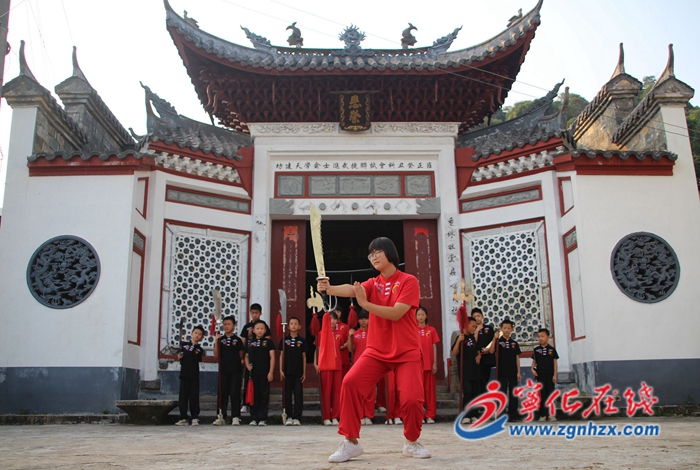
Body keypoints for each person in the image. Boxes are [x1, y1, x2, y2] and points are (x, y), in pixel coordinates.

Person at [318, 237, 431, 463]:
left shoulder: (408, 281)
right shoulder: (373, 283)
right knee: (350, 383)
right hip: (377, 351)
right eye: (371, 254)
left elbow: (397, 313)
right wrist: (329, 288)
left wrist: (366, 305)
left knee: (411, 399)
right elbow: (353, 290)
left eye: (378, 251)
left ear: (390, 253)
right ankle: (351, 442)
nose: (374, 257)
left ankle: (411, 442)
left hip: (406, 351)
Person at [314, 311, 344, 426]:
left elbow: (343, 346)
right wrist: (316, 363)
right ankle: (326, 416)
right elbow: (318, 349)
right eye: (330, 319)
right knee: (326, 392)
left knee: (337, 392)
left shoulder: (339, 333)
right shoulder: (321, 333)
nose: (332, 321)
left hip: (337, 364)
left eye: (334, 319)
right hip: (325, 365)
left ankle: (335, 416)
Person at [214, 315, 245, 426]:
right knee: (222, 393)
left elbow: (241, 354)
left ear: (233, 326)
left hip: (235, 370)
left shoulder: (237, 340)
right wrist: (216, 340)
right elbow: (216, 354)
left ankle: (235, 416)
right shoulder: (220, 340)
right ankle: (221, 415)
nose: (226, 326)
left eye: (229, 324)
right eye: (225, 324)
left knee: (235, 393)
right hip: (223, 370)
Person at [487, 318, 521, 422]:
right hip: (501, 372)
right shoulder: (499, 342)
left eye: (508, 328)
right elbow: (491, 351)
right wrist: (494, 339)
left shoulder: (514, 343)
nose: (506, 330)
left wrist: (519, 372)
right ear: (501, 329)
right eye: (505, 328)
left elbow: (517, 358)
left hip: (513, 372)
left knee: (513, 393)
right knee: (501, 393)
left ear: (512, 330)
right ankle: (501, 414)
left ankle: (512, 415)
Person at [240, 303, 271, 413]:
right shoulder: (247, 327)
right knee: (247, 381)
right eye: (253, 313)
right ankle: (245, 403)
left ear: (260, 313)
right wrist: (242, 357)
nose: (254, 315)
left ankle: (260, 409)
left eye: (256, 313)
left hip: (261, 358)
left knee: (260, 386)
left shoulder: (264, 326)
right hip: (249, 356)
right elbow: (243, 342)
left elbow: (267, 341)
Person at [451, 316, 481, 424]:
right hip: (464, 371)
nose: (474, 328)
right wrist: (459, 341)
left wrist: (479, 356)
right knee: (467, 392)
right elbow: (454, 352)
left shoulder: (472, 338)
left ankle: (474, 414)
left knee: (475, 392)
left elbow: (477, 350)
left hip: (474, 369)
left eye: (475, 327)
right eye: (472, 326)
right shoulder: (460, 337)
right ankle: (466, 415)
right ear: (466, 325)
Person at [245, 320, 275, 426]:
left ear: (265, 330)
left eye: (262, 328)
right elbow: (246, 356)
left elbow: (272, 357)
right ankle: (254, 417)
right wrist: (247, 365)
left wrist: (271, 372)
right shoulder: (250, 343)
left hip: (265, 372)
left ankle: (262, 418)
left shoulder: (268, 342)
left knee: (264, 395)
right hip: (253, 373)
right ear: (253, 330)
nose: (260, 330)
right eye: (257, 328)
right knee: (254, 394)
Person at [279, 316, 307, 426]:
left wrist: (304, 372)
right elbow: (281, 356)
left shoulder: (302, 341)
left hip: (298, 372)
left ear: (299, 326)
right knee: (287, 394)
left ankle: (297, 417)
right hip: (287, 371)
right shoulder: (284, 340)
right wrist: (281, 370)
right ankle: (289, 416)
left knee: (298, 394)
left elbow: (304, 357)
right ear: (288, 326)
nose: (293, 325)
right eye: (291, 323)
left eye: (296, 323)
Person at [175, 325, 205, 426]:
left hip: (194, 375)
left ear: (202, 337)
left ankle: (194, 417)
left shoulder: (199, 350)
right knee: (183, 397)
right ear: (192, 333)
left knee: (194, 397)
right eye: (196, 333)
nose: (197, 335)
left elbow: (195, 358)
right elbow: (181, 356)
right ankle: (183, 417)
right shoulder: (184, 345)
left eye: (199, 334)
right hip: (184, 374)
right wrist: (180, 356)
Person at [349, 310, 374, 426]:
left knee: (370, 391)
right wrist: (350, 336)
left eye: (366, 319)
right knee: (359, 391)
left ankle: (368, 415)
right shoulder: (355, 333)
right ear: (358, 321)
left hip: (371, 363)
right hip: (358, 364)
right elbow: (350, 349)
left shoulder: (373, 332)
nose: (363, 321)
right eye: (361, 319)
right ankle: (360, 415)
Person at [416, 305, 440, 424]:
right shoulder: (413, 330)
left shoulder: (431, 330)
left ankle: (430, 415)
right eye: (418, 315)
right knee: (418, 392)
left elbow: (434, 346)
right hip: (417, 365)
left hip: (429, 365)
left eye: (422, 314)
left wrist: (434, 363)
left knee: (430, 392)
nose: (420, 317)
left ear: (426, 316)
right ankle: (419, 415)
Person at [532, 328, 559, 422]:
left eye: (542, 336)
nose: (540, 338)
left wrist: (555, 375)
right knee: (542, 395)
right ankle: (542, 415)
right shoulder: (536, 350)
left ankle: (551, 414)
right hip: (540, 376)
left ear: (548, 337)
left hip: (550, 376)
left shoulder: (552, 350)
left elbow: (555, 363)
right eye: (539, 336)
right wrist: (532, 369)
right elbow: (534, 362)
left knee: (550, 394)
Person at [472, 308, 495, 395]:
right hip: (477, 359)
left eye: (478, 316)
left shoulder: (489, 328)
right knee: (480, 381)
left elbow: (493, 341)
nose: (477, 318)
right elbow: (474, 343)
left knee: (486, 378)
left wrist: (488, 349)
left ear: (482, 317)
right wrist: (477, 331)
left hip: (487, 358)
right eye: (475, 317)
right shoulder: (472, 330)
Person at [334, 308, 352, 378]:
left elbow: (349, 341)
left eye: (338, 311)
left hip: (343, 357)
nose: (336, 313)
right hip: (332, 358)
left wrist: (340, 347)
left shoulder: (346, 327)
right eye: (334, 311)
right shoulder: (327, 327)